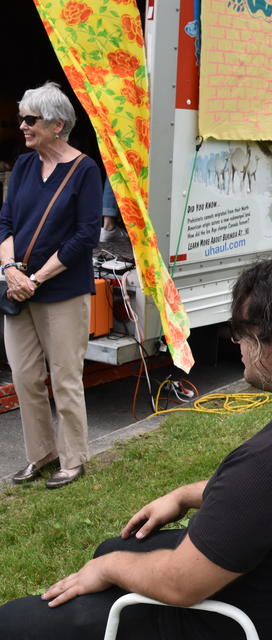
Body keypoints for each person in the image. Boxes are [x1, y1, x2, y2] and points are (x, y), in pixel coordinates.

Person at [0, 249, 272, 639]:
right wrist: (186, 495)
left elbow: (179, 585)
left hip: (224, 621)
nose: (236, 343)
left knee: (16, 619)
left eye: (240, 331)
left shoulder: (270, 464)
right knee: (112, 546)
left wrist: (107, 570)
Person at [0, 81, 101, 489]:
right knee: (24, 376)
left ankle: (73, 459)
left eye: (30, 119)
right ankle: (41, 454)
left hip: (61, 291)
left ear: (58, 125)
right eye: (21, 118)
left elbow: (85, 236)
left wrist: (35, 278)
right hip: (16, 287)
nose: (22, 126)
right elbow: (5, 221)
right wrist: (9, 271)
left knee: (64, 377)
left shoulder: (85, 170)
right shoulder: (23, 166)